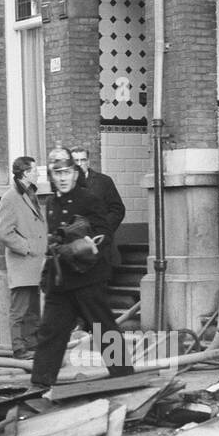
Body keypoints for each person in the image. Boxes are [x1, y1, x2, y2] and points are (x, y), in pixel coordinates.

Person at [29, 148, 134, 392]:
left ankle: (125, 378)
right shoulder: (52, 203)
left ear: (75, 174)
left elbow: (104, 233)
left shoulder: (90, 200)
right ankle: (40, 384)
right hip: (61, 280)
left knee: (103, 328)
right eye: (58, 173)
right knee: (50, 331)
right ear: (52, 176)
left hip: (89, 278)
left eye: (67, 172)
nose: (63, 177)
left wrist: (81, 245)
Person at [0, 156, 46, 359]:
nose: (38, 173)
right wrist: (27, 247)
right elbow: (3, 233)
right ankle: (18, 348)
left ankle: (32, 344)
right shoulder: (10, 197)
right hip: (23, 262)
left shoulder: (30, 193)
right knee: (19, 309)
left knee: (32, 308)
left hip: (34, 263)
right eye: (35, 170)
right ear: (25, 173)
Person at [71, 144, 126, 267]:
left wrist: (103, 230)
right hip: (76, 244)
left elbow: (117, 209)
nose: (80, 164)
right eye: (76, 161)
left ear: (88, 162)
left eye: (83, 160)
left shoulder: (103, 181)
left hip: (100, 241)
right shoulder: (67, 186)